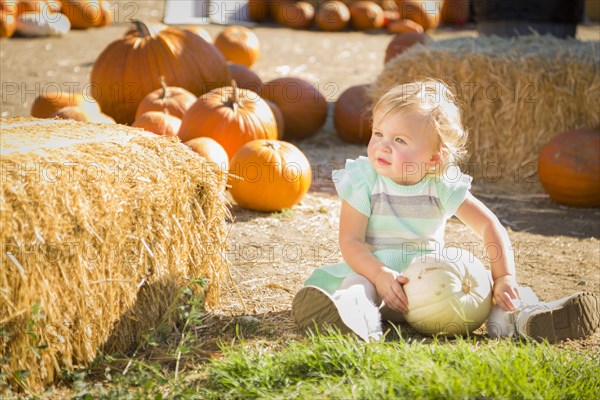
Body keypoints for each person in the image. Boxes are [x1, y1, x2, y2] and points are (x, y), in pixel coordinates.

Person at [292, 80, 599, 342]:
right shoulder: (363, 179)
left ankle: (527, 319)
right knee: (356, 285)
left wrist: (504, 277)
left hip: (436, 287)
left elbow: (489, 226)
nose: (382, 146)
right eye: (378, 134)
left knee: (493, 295)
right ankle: (355, 320)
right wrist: (378, 273)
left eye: (399, 140)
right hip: (379, 283)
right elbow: (351, 242)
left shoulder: (440, 184)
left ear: (434, 160)